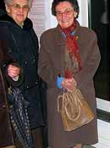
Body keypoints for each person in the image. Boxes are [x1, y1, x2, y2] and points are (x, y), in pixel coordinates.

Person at [38, 0, 101, 147]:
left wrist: (75, 80)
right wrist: (60, 81)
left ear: (75, 12)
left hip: (82, 91)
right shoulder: (47, 37)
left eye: (67, 11)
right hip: (58, 94)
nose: (63, 16)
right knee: (60, 139)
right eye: (59, 12)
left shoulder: (89, 35)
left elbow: (93, 62)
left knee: (79, 135)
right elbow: (43, 67)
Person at [0, 0, 46, 147]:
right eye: (16, 6)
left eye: (25, 7)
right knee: (21, 141)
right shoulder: (2, 29)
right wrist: (9, 69)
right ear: (7, 8)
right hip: (16, 99)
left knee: (37, 140)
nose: (21, 10)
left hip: (33, 96)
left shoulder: (28, 28)